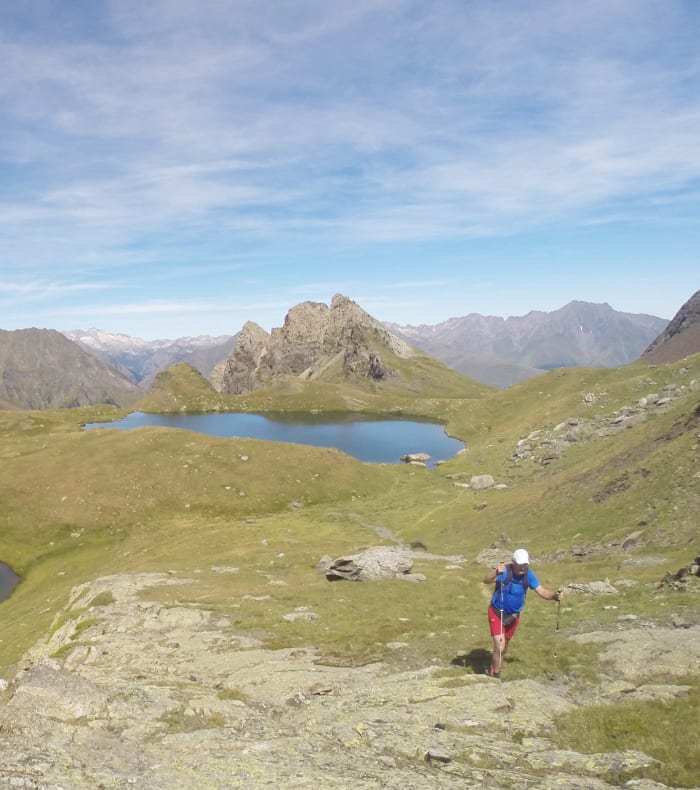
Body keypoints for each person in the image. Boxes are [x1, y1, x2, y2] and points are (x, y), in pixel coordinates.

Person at [483, 548, 563, 678]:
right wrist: (496, 572)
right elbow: (486, 580)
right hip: (497, 612)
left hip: (514, 616)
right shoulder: (504, 571)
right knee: (500, 645)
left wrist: (554, 596)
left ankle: (496, 665)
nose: (522, 568)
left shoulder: (529, 575)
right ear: (513, 563)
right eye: (520, 565)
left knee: (505, 646)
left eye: (525, 564)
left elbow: (542, 591)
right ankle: (495, 676)